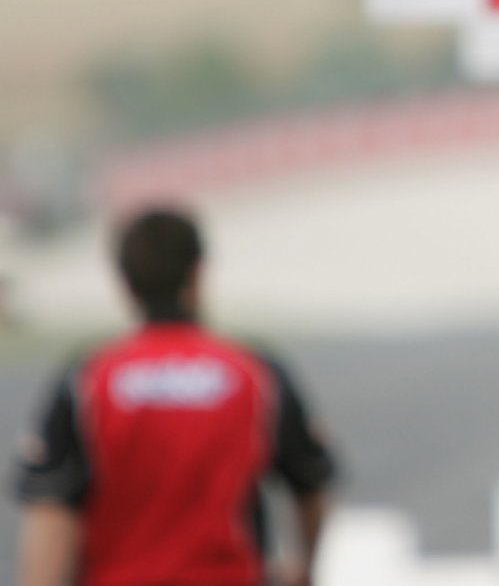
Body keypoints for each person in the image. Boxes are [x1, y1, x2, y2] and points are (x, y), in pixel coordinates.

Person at [13, 206, 337, 586]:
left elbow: (51, 510)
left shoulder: (89, 380)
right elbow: (310, 483)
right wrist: (306, 567)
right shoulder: (254, 373)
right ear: (198, 272)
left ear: (125, 282)